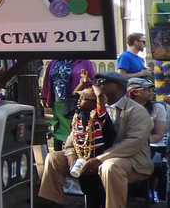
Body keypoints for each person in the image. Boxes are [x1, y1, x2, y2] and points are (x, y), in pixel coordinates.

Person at [37, 72, 153, 208]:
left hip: (131, 160)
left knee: (109, 167)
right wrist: (72, 158)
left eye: (103, 82)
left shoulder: (136, 111)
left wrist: (99, 159)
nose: (97, 84)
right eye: (96, 81)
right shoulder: (91, 106)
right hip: (90, 157)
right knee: (54, 158)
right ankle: (51, 203)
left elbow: (133, 143)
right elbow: (73, 139)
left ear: (117, 86)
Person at [43, 58, 97, 150]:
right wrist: (45, 98)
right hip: (58, 104)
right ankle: (58, 155)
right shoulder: (54, 62)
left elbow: (92, 83)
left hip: (76, 105)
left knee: (73, 133)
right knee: (58, 133)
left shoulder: (85, 62)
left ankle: (73, 155)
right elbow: (47, 81)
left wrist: (84, 84)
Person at [127, 77, 169, 144]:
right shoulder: (122, 108)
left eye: (152, 90)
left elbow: (158, 135)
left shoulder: (157, 107)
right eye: (149, 90)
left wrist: (137, 142)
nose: (152, 93)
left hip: (151, 145)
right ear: (135, 92)